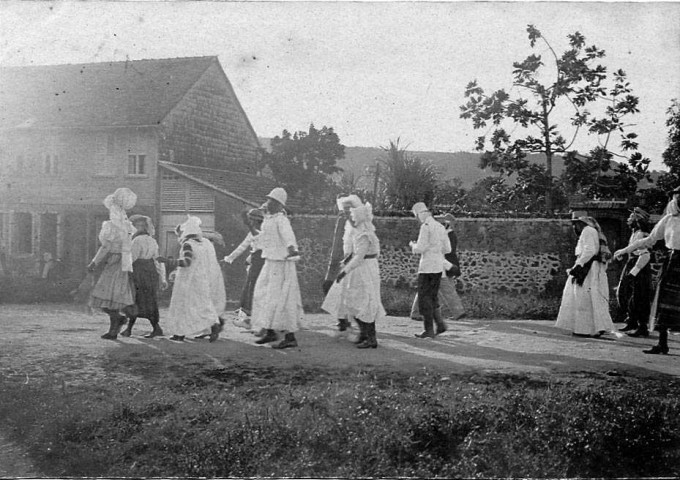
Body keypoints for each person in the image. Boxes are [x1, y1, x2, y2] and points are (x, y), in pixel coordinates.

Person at [614, 186, 680, 355]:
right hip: (674, 261)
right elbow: (650, 240)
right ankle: (662, 344)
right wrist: (625, 250)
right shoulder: (668, 220)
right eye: (677, 197)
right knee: (665, 304)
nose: (679, 200)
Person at [322, 200, 385, 348]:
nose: (350, 218)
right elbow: (353, 253)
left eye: (352, 215)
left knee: (366, 302)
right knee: (354, 302)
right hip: (359, 268)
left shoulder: (365, 231)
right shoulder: (357, 229)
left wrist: (344, 271)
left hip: (365, 269)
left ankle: (371, 338)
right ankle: (364, 334)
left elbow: (360, 255)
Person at [249, 187, 304, 349]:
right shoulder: (268, 219)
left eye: (272, 201)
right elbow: (261, 240)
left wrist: (291, 248)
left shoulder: (281, 219)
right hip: (270, 261)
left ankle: (290, 337)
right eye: (268, 200)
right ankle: (270, 331)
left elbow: (288, 236)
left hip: (282, 263)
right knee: (263, 296)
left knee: (283, 300)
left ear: (280, 204)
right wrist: (250, 226)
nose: (268, 203)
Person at [158, 216, 225, 342]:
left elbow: (186, 262)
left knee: (183, 305)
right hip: (201, 278)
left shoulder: (188, 245)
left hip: (187, 279)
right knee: (201, 304)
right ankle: (213, 325)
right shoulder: (204, 244)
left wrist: (167, 261)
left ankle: (180, 333)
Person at [87, 187, 137, 340]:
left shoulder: (112, 226)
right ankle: (118, 324)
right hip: (123, 262)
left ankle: (116, 325)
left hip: (116, 261)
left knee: (106, 297)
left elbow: (105, 246)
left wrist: (94, 262)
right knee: (111, 298)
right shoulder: (127, 225)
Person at [555, 214, 615, 337]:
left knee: (582, 297)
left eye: (576, 223)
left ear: (582, 223)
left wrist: (579, 264)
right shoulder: (593, 231)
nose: (574, 226)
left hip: (587, 268)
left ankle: (584, 329)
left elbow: (589, 250)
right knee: (591, 296)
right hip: (592, 267)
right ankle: (596, 327)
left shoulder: (587, 231)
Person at [410, 213, 465, 326]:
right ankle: (457, 312)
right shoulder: (447, 234)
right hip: (442, 265)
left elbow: (448, 252)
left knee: (430, 290)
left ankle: (418, 314)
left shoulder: (447, 234)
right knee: (440, 290)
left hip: (440, 266)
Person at [322, 193, 363, 339]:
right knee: (330, 288)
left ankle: (349, 323)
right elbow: (337, 242)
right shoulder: (343, 221)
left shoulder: (357, 223)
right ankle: (343, 321)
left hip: (350, 263)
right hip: (338, 261)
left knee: (348, 294)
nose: (344, 214)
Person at [120, 215, 167, 338]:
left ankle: (131, 329)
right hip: (150, 272)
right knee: (149, 300)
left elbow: (132, 258)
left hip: (139, 271)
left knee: (136, 299)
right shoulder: (152, 241)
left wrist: (124, 271)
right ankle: (154, 327)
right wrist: (162, 277)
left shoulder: (136, 241)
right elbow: (157, 260)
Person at [409, 202, 451, 339]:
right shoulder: (440, 227)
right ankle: (440, 324)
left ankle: (429, 329)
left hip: (427, 267)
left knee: (424, 298)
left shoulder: (425, 227)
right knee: (432, 297)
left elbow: (420, 248)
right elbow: (448, 249)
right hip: (438, 267)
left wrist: (413, 245)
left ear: (421, 214)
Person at [223, 208, 265, 330]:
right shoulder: (255, 232)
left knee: (254, 287)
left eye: (251, 220)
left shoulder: (260, 232)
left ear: (255, 221)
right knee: (252, 287)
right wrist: (228, 258)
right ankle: (252, 318)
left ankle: (252, 319)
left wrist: (228, 259)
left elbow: (245, 247)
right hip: (258, 260)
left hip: (260, 262)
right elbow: (244, 247)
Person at [614, 207, 652, 337]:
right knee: (627, 293)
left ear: (637, 219)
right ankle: (632, 321)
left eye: (631, 217)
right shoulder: (635, 233)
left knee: (639, 296)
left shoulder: (642, 234)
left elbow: (645, 255)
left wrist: (633, 272)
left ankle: (642, 327)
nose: (628, 219)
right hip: (632, 263)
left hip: (640, 267)